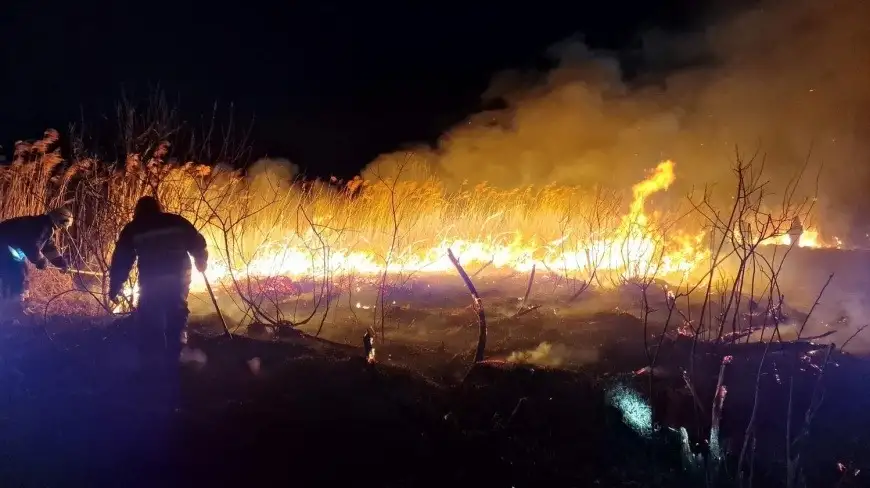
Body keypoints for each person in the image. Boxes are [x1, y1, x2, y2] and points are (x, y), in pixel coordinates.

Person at [108, 196, 208, 367]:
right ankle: (177, 351)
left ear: (137, 211)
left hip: (152, 278)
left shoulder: (135, 228)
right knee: (176, 308)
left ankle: (153, 359)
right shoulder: (176, 221)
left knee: (150, 313)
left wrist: (116, 284)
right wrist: (201, 259)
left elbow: (122, 259)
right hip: (179, 274)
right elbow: (197, 242)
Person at [0, 207, 72, 309]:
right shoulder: (41, 227)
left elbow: (48, 247)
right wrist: (39, 260)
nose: (62, 228)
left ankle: (14, 303)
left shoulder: (43, 225)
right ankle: (13, 306)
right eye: (63, 226)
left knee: (20, 271)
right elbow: (30, 245)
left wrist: (61, 263)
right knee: (17, 273)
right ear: (60, 220)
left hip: (7, 245)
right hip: (3, 245)